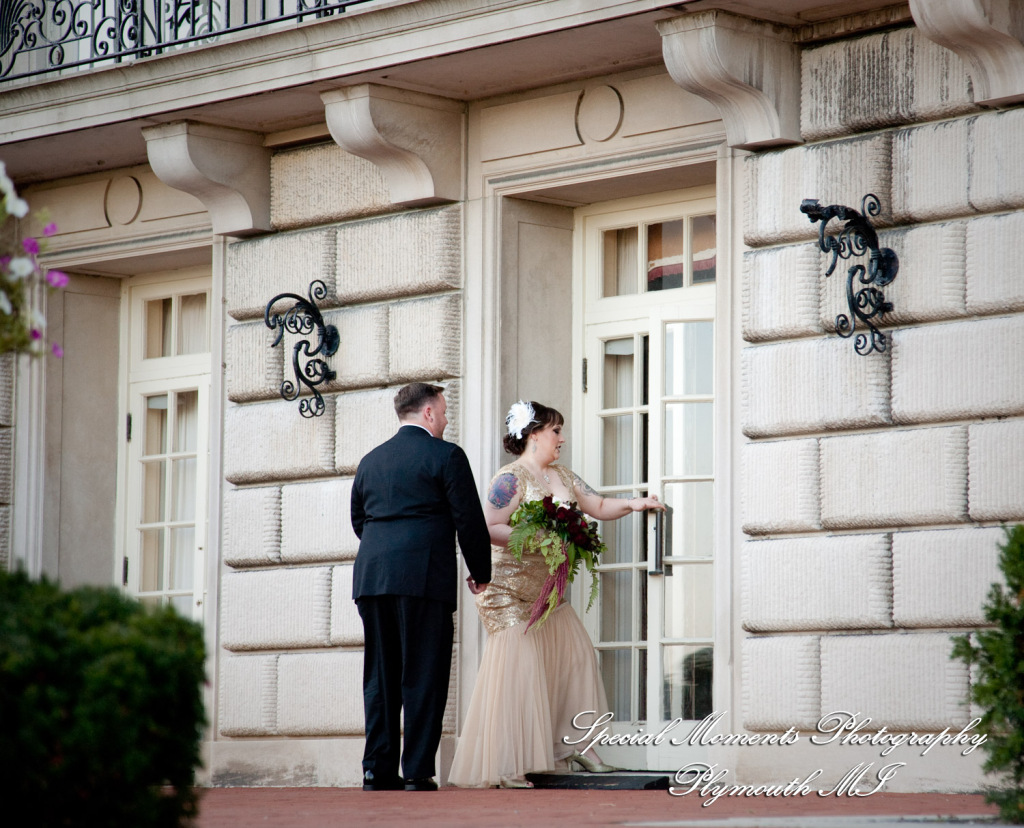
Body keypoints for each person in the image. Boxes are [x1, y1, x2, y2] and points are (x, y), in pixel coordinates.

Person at [448, 400, 664, 788]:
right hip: (507, 591)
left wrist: (634, 503)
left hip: (548, 593)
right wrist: (539, 536)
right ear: (534, 434)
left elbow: (596, 504)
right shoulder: (510, 479)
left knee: (577, 657)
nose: (561, 438)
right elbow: (489, 526)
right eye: (555, 431)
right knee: (519, 671)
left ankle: (579, 746)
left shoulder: (562, 475)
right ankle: (509, 764)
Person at [351, 382, 492, 792]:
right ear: (428, 413)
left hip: (373, 577)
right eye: (444, 413)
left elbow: (360, 521)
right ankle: (415, 771)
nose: (446, 420)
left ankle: (376, 770)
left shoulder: (370, 460)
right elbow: (468, 519)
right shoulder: (446, 455)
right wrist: (480, 571)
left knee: (380, 674)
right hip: (423, 575)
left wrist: (385, 554)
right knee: (423, 674)